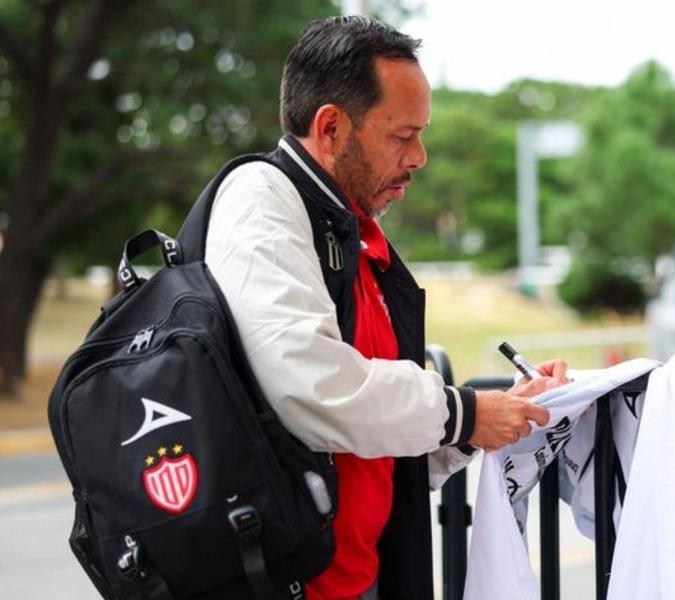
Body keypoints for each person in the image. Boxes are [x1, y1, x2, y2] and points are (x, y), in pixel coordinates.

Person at [201, 16, 566, 600]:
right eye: (402, 135)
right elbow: (312, 389)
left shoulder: (353, 235)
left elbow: (372, 441)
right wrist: (466, 412)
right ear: (330, 127)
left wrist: (488, 422)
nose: (419, 156)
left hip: (354, 577)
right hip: (284, 582)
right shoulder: (261, 202)